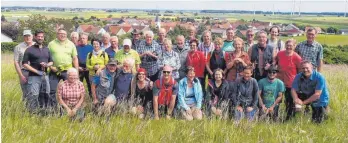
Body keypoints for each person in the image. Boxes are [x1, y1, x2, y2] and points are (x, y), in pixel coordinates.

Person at [48, 28, 79, 109]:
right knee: (51, 90)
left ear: (66, 35)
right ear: (57, 34)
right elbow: (47, 57)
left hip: (67, 71)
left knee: (70, 91)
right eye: (60, 33)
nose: (62, 35)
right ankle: (54, 109)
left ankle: (69, 108)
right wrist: (51, 67)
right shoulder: (51, 44)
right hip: (54, 70)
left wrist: (76, 73)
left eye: (64, 34)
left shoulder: (71, 44)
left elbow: (75, 58)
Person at [22, 30, 52, 113]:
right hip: (33, 77)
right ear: (35, 37)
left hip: (45, 76)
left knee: (46, 94)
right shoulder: (29, 50)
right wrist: (36, 71)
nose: (40, 38)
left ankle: (45, 112)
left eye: (42, 36)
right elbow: (24, 64)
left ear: (43, 38)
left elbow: (51, 62)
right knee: (34, 95)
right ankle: (33, 113)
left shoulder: (47, 49)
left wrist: (46, 65)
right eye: (38, 36)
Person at [276, 39, 302, 120]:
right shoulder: (280, 54)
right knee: (277, 100)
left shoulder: (297, 57)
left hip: (290, 83)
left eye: (291, 46)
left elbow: (300, 71)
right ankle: (275, 116)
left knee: (289, 102)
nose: (289, 47)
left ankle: (288, 118)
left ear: (294, 46)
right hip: (279, 82)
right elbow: (275, 63)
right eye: (287, 45)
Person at [14, 29, 34, 101]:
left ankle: (35, 109)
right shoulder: (18, 47)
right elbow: (16, 62)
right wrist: (21, 75)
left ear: (32, 36)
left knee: (36, 91)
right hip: (24, 72)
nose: (27, 37)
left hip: (35, 72)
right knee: (25, 92)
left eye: (29, 35)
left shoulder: (37, 46)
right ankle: (25, 110)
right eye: (25, 36)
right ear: (23, 37)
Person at [76, 32, 93, 98]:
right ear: (79, 39)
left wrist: (90, 67)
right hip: (79, 69)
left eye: (84, 38)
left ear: (87, 39)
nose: (82, 39)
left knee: (90, 84)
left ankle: (92, 99)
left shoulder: (91, 47)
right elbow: (74, 58)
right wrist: (77, 67)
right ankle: (78, 99)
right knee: (78, 85)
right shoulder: (76, 47)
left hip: (88, 69)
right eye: (81, 38)